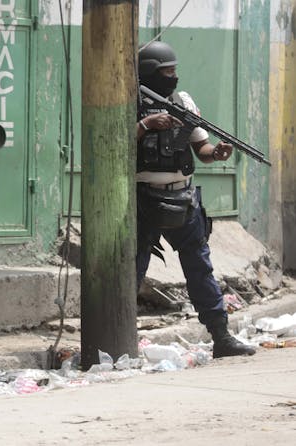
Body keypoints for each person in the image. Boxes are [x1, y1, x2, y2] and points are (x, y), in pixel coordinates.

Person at [135, 41, 255, 358]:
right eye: (167, 72)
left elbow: (201, 150)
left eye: (175, 71)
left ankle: (221, 336)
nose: (173, 77)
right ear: (149, 73)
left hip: (184, 199)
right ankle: (120, 338)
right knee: (131, 270)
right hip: (142, 200)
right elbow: (112, 142)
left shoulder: (181, 101)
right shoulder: (127, 101)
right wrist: (147, 125)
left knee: (200, 268)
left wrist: (216, 153)